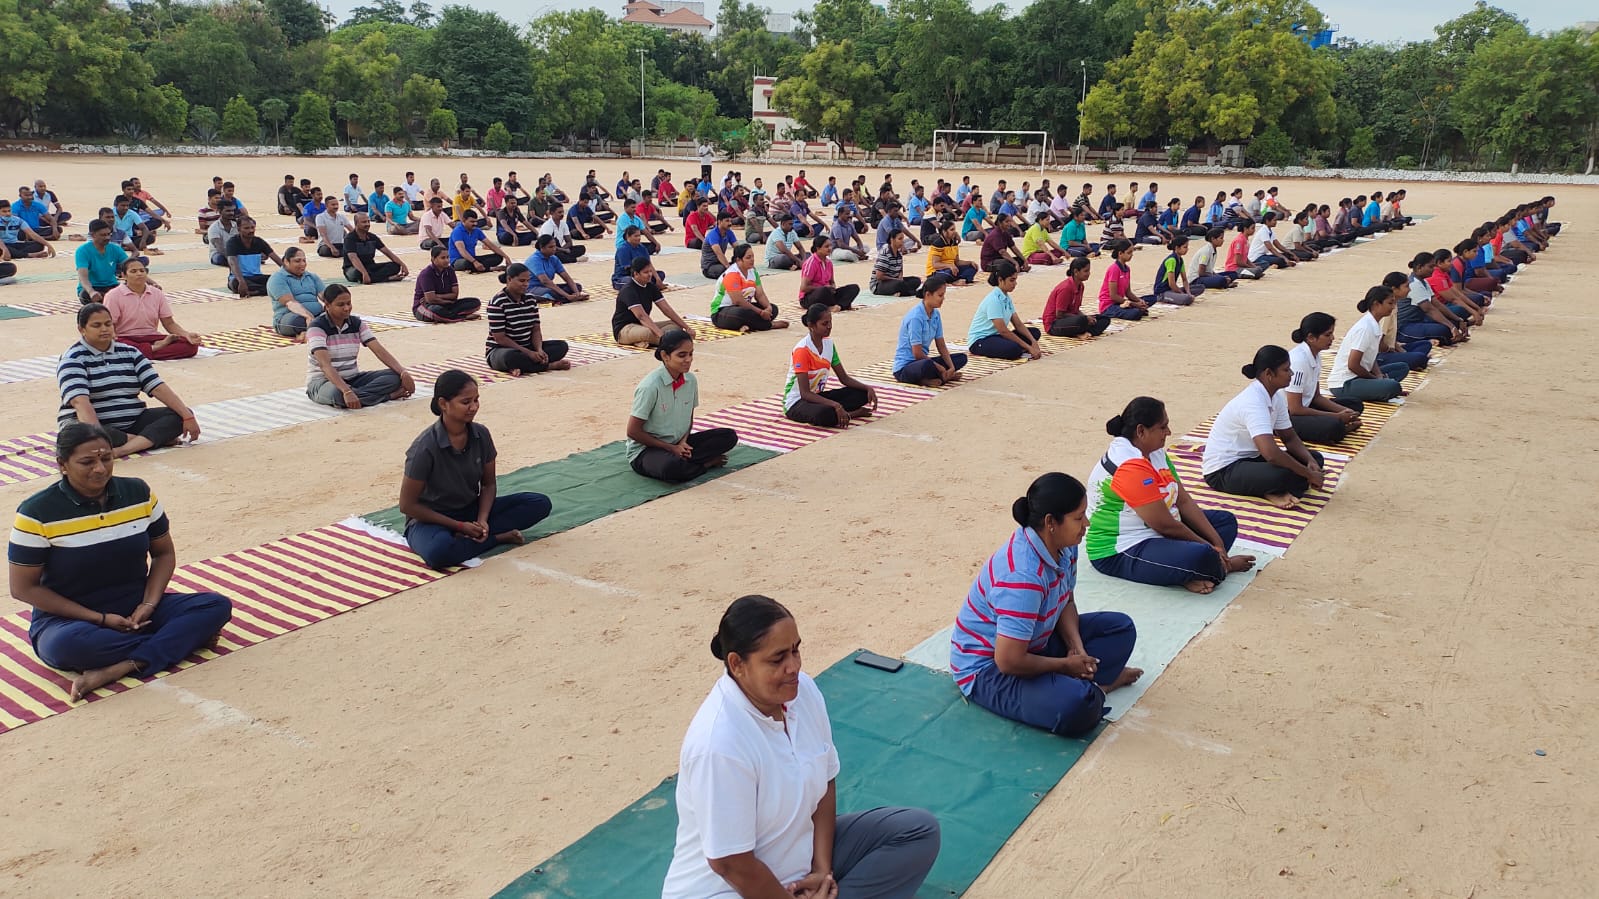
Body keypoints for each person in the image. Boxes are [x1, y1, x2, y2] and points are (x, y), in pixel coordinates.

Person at [664, 594, 940, 899]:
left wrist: (822, 870)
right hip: (729, 890)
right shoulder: (719, 743)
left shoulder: (803, 691)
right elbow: (731, 864)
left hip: (797, 866)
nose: (793, 666)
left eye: (796, 650)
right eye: (777, 658)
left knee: (916, 831)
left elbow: (825, 781)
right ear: (737, 664)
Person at [7, 422, 233, 702]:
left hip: (139, 609)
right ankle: (182, 640)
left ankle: (122, 666)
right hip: (70, 620)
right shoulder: (36, 512)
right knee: (67, 647)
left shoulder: (138, 493)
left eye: (106, 458)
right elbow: (24, 588)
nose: (100, 469)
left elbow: (163, 553)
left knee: (215, 605)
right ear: (62, 464)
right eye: (87, 462)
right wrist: (99, 619)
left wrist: (148, 604)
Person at [949, 472, 1141, 736]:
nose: (1086, 523)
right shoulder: (1023, 576)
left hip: (1034, 642)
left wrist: (1076, 647)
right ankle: (1099, 687)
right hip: (990, 668)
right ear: (1051, 522)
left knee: (1120, 628)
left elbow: (1066, 601)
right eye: (1078, 517)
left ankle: (1083, 684)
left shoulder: (1066, 545)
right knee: (1076, 707)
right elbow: (1008, 661)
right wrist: (1065, 665)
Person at [1085, 397, 1254, 593]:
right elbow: (1165, 526)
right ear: (1141, 431)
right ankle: (1216, 568)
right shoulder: (1129, 465)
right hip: (1121, 547)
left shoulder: (1155, 452)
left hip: (1156, 530)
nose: (1169, 432)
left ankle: (1191, 570)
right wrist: (1212, 549)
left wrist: (1216, 544)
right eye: (1163, 427)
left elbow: (1183, 500)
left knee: (1225, 522)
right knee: (1202, 555)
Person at [398, 370, 552, 570]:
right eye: (466, 402)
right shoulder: (424, 448)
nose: (473, 407)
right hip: (431, 519)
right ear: (443, 404)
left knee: (539, 503)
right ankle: (496, 539)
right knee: (439, 553)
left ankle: (475, 536)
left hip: (470, 510)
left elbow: (488, 484)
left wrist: (482, 520)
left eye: (476, 400)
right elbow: (407, 506)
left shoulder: (481, 434)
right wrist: (460, 527)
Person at [57, 304, 200, 457]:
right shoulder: (73, 358)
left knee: (180, 415)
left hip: (133, 422)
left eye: (108, 324)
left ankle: (124, 449)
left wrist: (187, 416)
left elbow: (157, 387)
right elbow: (81, 403)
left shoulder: (130, 352)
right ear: (82, 329)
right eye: (96, 325)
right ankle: (147, 440)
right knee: (78, 435)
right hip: (92, 423)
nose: (104, 329)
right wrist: (98, 436)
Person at [1201, 345, 1327, 508]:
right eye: (1286, 370)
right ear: (1269, 374)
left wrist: (1309, 462)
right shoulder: (1253, 402)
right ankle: (1269, 489)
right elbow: (1271, 454)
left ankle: (1272, 486)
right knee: (1285, 474)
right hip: (1223, 470)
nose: (1291, 374)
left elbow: (1289, 437)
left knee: (1315, 458)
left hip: (1252, 458)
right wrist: (1308, 474)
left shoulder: (1276, 396)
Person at [626, 329, 739, 483]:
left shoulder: (690, 380)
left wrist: (682, 443)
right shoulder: (650, 387)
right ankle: (706, 464)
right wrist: (671, 448)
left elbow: (689, 418)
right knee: (671, 468)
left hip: (677, 444)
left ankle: (686, 462)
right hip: (648, 450)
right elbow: (633, 431)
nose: (688, 359)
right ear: (665, 356)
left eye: (691, 354)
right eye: (682, 355)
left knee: (728, 436)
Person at [305, 285, 415, 409]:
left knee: (395, 378)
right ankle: (386, 396)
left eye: (349, 303)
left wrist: (403, 373)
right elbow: (325, 365)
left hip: (353, 378)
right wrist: (346, 391)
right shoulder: (317, 327)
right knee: (338, 395)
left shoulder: (356, 323)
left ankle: (358, 395)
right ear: (327, 305)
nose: (347, 308)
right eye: (341, 305)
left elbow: (379, 350)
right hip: (323, 382)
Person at [783, 304, 878, 428]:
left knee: (862, 394)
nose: (829, 326)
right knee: (824, 414)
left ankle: (840, 412)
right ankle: (852, 413)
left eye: (830, 322)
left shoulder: (829, 344)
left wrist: (867, 388)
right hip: (797, 402)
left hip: (816, 397)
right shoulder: (802, 350)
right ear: (811, 326)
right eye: (824, 323)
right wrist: (836, 405)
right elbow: (805, 393)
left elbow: (844, 378)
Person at [1285, 311, 1364, 445]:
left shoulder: (1316, 356)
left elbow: (1316, 397)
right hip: (1287, 415)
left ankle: (1338, 426)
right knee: (1333, 426)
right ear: (1311, 337)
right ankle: (1338, 429)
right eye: (1328, 334)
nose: (1332, 338)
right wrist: (1337, 416)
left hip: (1305, 405)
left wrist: (1344, 411)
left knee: (1355, 405)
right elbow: (1295, 409)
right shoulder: (1298, 361)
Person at [102, 260, 201, 361]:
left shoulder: (156, 293)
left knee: (190, 347)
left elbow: (169, 323)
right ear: (124, 275)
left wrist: (187, 335)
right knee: (115, 346)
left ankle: (139, 354)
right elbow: (109, 325)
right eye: (133, 271)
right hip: (125, 338)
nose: (139, 274)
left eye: (142, 270)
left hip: (152, 337)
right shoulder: (113, 296)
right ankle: (153, 349)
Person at [1327, 288, 1409, 404]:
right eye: (1390, 303)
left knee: (1402, 368)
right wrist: (1375, 379)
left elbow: (1371, 358)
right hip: (1345, 382)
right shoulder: (1365, 328)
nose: (1393, 307)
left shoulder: (1374, 324)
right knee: (1392, 386)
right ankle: (1379, 389)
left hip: (1360, 376)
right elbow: (1353, 365)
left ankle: (1378, 389)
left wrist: (1379, 375)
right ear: (1376, 304)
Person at [484, 263, 571, 375]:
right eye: (521, 281)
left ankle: (523, 367)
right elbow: (500, 338)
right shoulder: (497, 303)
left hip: (527, 346)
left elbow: (536, 329)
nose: (526, 284)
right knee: (511, 357)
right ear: (509, 279)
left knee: (561, 346)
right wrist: (528, 353)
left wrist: (539, 349)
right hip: (502, 349)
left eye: (527, 281)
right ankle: (549, 366)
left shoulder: (530, 300)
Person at [889, 273, 968, 387]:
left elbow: (941, 344)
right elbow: (917, 354)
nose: (943, 299)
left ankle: (942, 375)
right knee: (927, 365)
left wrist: (951, 367)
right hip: (906, 367)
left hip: (923, 362)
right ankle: (930, 378)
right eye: (940, 295)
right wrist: (939, 367)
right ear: (928, 295)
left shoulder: (935, 314)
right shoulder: (916, 317)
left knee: (961, 358)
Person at [967, 260, 1041, 360]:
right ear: (1001, 280)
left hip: (996, 336)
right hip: (982, 340)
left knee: (1034, 333)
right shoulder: (994, 300)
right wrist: (1028, 347)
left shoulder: (1006, 298)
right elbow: (1003, 331)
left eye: (1015, 280)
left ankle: (1018, 347)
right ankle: (1018, 348)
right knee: (1013, 350)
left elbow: (1018, 323)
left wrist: (1033, 342)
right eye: (1011, 280)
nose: (1015, 283)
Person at [613, 258, 690, 347]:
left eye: (650, 271)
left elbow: (666, 309)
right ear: (636, 274)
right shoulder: (628, 290)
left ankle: (645, 341)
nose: (650, 275)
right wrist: (661, 335)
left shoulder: (651, 287)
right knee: (649, 332)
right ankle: (667, 340)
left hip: (642, 325)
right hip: (625, 329)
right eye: (646, 272)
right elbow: (641, 316)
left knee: (676, 325)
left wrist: (686, 327)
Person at [712, 244, 787, 332]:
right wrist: (760, 312)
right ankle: (768, 325)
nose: (752, 260)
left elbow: (760, 295)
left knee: (774, 309)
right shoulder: (732, 274)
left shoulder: (753, 272)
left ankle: (747, 325)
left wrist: (768, 307)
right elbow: (738, 301)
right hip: (723, 311)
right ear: (739, 260)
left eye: (752, 257)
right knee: (742, 313)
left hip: (745, 308)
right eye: (748, 257)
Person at [266, 247, 325, 339]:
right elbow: (290, 303)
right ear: (286, 261)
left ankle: (311, 330)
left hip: (316, 315)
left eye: (304, 261)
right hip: (289, 317)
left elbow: (325, 297)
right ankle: (314, 329)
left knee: (336, 316)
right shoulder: (277, 279)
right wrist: (308, 316)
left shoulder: (312, 277)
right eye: (297, 261)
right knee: (297, 322)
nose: (302, 264)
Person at [414, 245, 483, 323]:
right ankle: (461, 317)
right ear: (433, 259)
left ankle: (449, 314)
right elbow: (431, 300)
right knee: (436, 310)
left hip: (447, 304)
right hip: (425, 306)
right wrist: (446, 300)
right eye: (443, 258)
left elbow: (454, 295)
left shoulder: (450, 270)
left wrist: (438, 297)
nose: (447, 260)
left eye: (448, 257)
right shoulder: (426, 274)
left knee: (475, 302)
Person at [1043, 257, 1110, 337]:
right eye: (1086, 271)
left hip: (1071, 319)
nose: (1089, 273)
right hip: (1054, 324)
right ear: (1076, 272)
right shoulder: (1066, 288)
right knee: (1082, 320)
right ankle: (1080, 332)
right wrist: (1084, 318)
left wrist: (1087, 318)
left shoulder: (1080, 286)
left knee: (1104, 319)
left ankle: (1085, 331)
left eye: (1088, 270)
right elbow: (1060, 314)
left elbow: (1076, 310)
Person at [342, 213, 408, 285]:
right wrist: (364, 273)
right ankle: (387, 278)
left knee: (395, 266)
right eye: (364, 222)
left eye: (368, 221)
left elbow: (388, 252)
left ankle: (373, 278)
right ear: (356, 224)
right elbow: (353, 258)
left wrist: (402, 265)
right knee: (358, 274)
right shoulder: (350, 238)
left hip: (370, 267)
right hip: (353, 268)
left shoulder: (372, 237)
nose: (367, 224)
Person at [798, 236, 860, 310]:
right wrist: (823, 288)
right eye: (826, 246)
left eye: (830, 246)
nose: (830, 248)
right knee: (824, 290)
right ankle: (837, 306)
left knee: (854, 288)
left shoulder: (829, 262)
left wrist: (832, 287)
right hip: (810, 297)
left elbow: (832, 282)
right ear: (818, 248)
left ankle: (838, 306)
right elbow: (804, 288)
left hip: (827, 294)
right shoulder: (811, 263)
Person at [224, 217, 281, 298]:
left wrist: (289, 273)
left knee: (278, 280)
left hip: (256, 277)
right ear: (239, 229)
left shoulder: (259, 241)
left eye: (252, 227)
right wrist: (241, 281)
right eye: (246, 228)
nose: (250, 230)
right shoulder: (232, 242)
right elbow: (232, 263)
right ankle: (265, 290)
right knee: (235, 284)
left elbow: (275, 258)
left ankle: (257, 291)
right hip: (239, 278)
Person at [74, 220, 129, 304]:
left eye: (108, 234)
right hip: (92, 287)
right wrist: (91, 292)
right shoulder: (83, 251)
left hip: (111, 286)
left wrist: (151, 284)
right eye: (103, 235)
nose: (107, 238)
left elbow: (132, 266)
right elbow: (83, 277)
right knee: (87, 296)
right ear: (93, 235)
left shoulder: (115, 248)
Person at [526, 235, 589, 303]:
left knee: (577, 286)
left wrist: (577, 293)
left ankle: (566, 298)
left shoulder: (553, 258)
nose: (554, 249)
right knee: (552, 292)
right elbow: (545, 281)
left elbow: (566, 277)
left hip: (547, 287)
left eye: (554, 246)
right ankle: (565, 298)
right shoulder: (534, 260)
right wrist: (567, 295)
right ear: (542, 248)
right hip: (532, 288)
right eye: (550, 247)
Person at [1096, 239, 1148, 321]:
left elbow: (1128, 292)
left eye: (1132, 252)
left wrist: (1140, 301)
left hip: (1121, 302)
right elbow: (1113, 296)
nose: (1131, 255)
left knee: (1149, 300)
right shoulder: (1114, 269)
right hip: (1109, 305)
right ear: (1120, 253)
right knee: (1136, 313)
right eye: (1129, 253)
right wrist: (1134, 304)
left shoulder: (1127, 269)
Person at [1153, 235, 1202, 306]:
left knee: (1200, 288)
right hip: (1163, 291)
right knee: (1187, 299)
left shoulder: (1180, 260)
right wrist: (1183, 294)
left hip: (1172, 290)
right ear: (1177, 248)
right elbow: (1171, 284)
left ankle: (1180, 295)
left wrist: (1188, 293)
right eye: (1185, 247)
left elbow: (1184, 280)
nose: (1187, 249)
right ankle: (1164, 297)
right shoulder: (1171, 260)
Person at [925, 218, 978, 284]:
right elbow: (935, 264)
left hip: (952, 268)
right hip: (936, 271)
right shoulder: (938, 243)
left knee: (972, 267)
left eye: (954, 229)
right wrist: (949, 266)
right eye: (951, 230)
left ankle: (959, 279)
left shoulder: (954, 243)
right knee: (948, 273)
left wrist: (970, 262)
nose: (954, 232)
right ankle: (956, 280)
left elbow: (957, 262)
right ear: (944, 232)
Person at [870, 229, 920, 297]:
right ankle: (908, 292)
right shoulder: (885, 253)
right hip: (879, 284)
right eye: (900, 239)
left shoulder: (899, 253)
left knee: (916, 280)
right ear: (892, 239)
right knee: (899, 284)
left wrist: (900, 278)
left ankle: (904, 291)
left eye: (902, 239)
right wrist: (897, 280)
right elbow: (879, 276)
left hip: (894, 280)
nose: (902, 241)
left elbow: (900, 269)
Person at [700, 210, 739, 279]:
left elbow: (738, 248)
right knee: (726, 271)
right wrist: (728, 268)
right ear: (719, 222)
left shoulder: (729, 232)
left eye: (730, 221)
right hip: (709, 266)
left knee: (740, 264)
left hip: (720, 263)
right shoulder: (713, 234)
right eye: (727, 221)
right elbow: (719, 254)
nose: (730, 223)